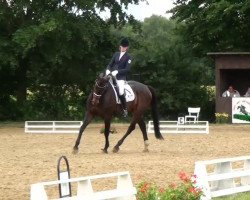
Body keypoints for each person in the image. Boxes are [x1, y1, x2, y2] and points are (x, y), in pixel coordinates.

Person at [105, 37, 132, 117]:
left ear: (126, 47)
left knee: (120, 91)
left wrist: (117, 71)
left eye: (124, 47)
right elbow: (110, 64)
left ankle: (125, 109)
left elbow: (127, 69)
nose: (122, 48)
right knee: (103, 86)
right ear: (120, 46)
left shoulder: (128, 57)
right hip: (111, 76)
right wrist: (107, 70)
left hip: (120, 78)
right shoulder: (116, 54)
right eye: (121, 46)